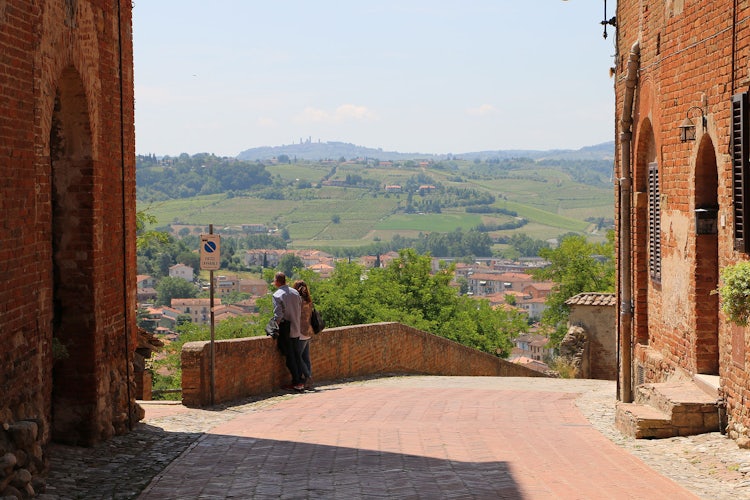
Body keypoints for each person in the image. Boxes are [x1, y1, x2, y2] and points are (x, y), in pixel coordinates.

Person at [272, 272, 304, 392]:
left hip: (286, 330)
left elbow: (278, 315)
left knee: (290, 358)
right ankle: (301, 380)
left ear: (277, 281)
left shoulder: (277, 295)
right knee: (297, 356)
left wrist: (274, 326)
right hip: (297, 328)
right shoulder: (295, 292)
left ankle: (297, 382)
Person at [293, 280, 315, 390]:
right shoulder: (309, 301)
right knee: (306, 357)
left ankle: (308, 376)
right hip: (308, 331)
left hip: (301, 332)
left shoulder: (299, 301)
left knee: (298, 357)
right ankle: (308, 381)